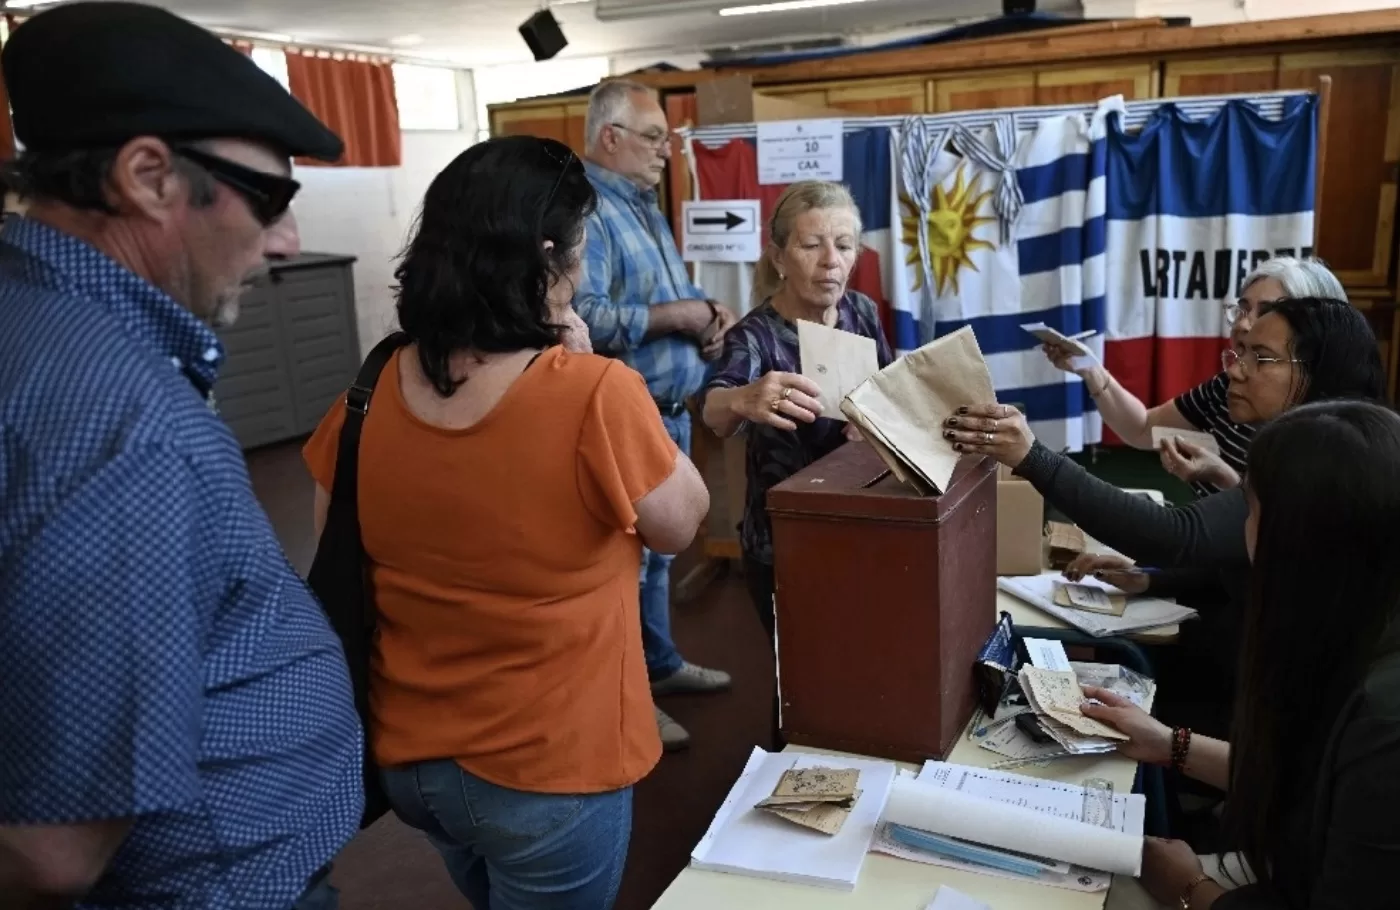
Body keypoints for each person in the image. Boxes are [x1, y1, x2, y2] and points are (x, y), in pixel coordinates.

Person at [0, 4, 362, 908]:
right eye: (269, 199)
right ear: (150, 176)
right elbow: (54, 850)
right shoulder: (128, 423)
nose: (284, 240)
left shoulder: (30, 310)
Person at [303, 135, 709, 910]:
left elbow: (337, 539)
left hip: (411, 756)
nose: (586, 271)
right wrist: (599, 373)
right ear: (548, 256)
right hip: (548, 768)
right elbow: (679, 524)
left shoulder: (373, 383)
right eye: (583, 249)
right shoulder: (593, 393)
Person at [946, 298, 1385, 735]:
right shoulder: (1309, 449)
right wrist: (1155, 579)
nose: (1236, 369)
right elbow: (1248, 565)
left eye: (1263, 358)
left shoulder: (1320, 469)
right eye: (1241, 352)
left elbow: (1173, 534)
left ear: (1320, 371)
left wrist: (1033, 457)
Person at [1093, 400, 1400, 910]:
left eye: (1251, 511)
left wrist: (1192, 889)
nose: (1242, 531)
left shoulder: (1386, 720)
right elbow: (1316, 780)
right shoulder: (1358, 624)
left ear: (1303, 541)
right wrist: (1170, 744)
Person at [700, 179, 894, 745]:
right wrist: (742, 399)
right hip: (787, 545)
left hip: (864, 524)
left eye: (844, 244)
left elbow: (887, 389)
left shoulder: (860, 310)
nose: (831, 261)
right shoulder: (755, 338)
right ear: (779, 257)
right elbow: (712, 411)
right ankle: (787, 795)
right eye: (812, 245)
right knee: (803, 683)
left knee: (859, 667)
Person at [575, 78, 736, 750]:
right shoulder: (586, 213)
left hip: (667, 411)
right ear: (610, 137)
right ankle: (629, 703)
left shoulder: (642, 205)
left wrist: (710, 314)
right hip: (624, 421)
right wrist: (682, 315)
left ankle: (660, 665)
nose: (666, 152)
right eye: (653, 138)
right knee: (627, 567)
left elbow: (669, 295)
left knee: (661, 559)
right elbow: (584, 320)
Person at [1040, 257, 1346, 496]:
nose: (1243, 325)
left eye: (1266, 313)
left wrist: (1224, 478)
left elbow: (1283, 529)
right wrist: (1090, 369)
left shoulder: (1324, 427)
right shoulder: (1227, 385)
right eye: (1242, 310)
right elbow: (1144, 428)